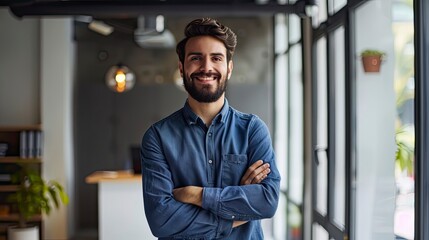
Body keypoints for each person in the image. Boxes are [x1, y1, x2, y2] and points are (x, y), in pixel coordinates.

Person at [141, 17, 281, 240]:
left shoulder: (253, 130)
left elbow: (267, 202)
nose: (206, 67)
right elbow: (161, 220)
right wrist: (238, 208)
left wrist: (197, 195)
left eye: (216, 58)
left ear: (229, 68)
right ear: (181, 67)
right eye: (196, 58)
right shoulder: (157, 137)